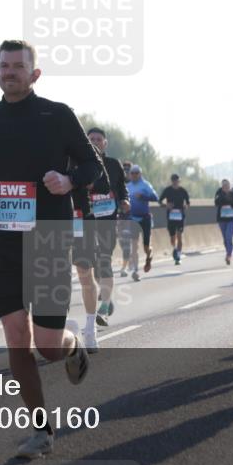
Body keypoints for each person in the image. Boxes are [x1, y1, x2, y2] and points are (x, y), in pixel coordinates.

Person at [0, 39, 103, 459]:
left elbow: (92, 166)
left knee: (48, 347)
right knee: (17, 338)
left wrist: (70, 181)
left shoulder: (57, 115)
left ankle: (72, 349)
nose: (9, 72)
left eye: (18, 66)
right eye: (4, 65)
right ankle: (42, 431)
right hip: (2, 243)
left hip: (50, 241)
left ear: (34, 73)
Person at [85, 128, 130, 327]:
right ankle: (107, 296)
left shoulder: (113, 164)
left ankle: (103, 308)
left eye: (98, 139)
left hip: (108, 219)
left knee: (104, 259)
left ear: (105, 143)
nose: (95, 141)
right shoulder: (79, 164)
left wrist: (125, 200)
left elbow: (122, 188)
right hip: (87, 219)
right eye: (91, 139)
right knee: (94, 264)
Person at [126, 165, 159, 276]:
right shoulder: (127, 186)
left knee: (146, 247)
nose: (134, 175)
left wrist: (143, 196)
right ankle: (135, 270)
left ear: (140, 174)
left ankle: (149, 257)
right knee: (134, 245)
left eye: (136, 173)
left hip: (145, 218)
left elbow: (156, 197)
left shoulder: (145, 185)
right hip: (133, 218)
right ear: (130, 174)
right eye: (132, 173)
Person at [159, 174, 191, 265]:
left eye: (176, 180)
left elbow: (188, 203)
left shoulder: (183, 191)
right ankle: (174, 249)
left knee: (179, 235)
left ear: (179, 181)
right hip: (171, 217)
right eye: (173, 180)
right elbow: (159, 201)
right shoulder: (167, 190)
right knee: (173, 237)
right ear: (171, 181)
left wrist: (186, 206)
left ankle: (178, 256)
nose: (175, 182)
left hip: (180, 216)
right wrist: (166, 205)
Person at [214, 179, 233, 265]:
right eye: (224, 186)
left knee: (229, 237)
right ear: (222, 186)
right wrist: (223, 197)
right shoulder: (219, 193)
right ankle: (228, 252)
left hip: (232, 219)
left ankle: (229, 255)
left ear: (229, 186)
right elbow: (216, 203)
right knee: (225, 239)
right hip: (222, 219)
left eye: (227, 185)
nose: (225, 187)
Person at [117, 161, 135, 277]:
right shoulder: (116, 183)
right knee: (122, 243)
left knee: (127, 243)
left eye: (129, 169)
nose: (126, 171)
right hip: (117, 218)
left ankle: (124, 268)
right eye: (124, 169)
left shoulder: (137, 185)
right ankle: (129, 261)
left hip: (130, 218)